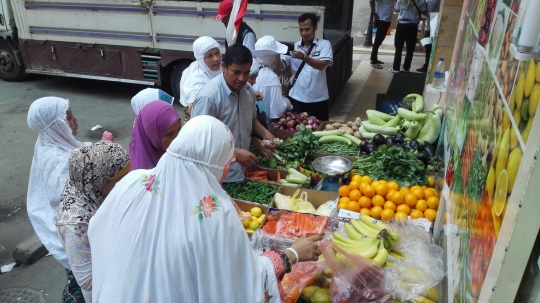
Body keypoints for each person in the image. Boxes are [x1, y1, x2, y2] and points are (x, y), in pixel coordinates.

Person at [88, 115, 322, 302]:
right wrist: (291, 254)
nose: (227, 170)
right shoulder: (213, 215)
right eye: (227, 163)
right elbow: (242, 283)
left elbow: (98, 228)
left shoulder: (133, 182)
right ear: (214, 163)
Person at [27, 97, 88, 303]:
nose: (75, 120)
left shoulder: (49, 140)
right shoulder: (59, 163)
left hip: (68, 233)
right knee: (82, 284)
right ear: (56, 126)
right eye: (69, 117)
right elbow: (76, 202)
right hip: (73, 235)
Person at [56, 141, 131, 303]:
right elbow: (87, 279)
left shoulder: (86, 185)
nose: (126, 184)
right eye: (120, 180)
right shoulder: (75, 225)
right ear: (100, 181)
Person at [191, 44, 275, 183]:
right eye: (236, 72)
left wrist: (264, 133)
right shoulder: (209, 97)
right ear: (224, 67)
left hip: (242, 173)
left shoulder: (248, 91)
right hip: (217, 177)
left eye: (246, 73)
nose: (242, 78)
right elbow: (197, 141)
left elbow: (252, 119)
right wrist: (234, 153)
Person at [281, 13, 333, 121]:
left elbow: (322, 65)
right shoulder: (294, 47)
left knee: (320, 130)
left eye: (307, 29)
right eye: (301, 30)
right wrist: (276, 50)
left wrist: (304, 57)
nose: (304, 33)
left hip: (318, 99)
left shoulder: (324, 44)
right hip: (296, 97)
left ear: (315, 28)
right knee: (295, 131)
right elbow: (279, 67)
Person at [179, 36, 222, 123]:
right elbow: (198, 112)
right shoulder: (195, 80)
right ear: (201, 59)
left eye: (217, 53)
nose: (216, 58)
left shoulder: (223, 68)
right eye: (210, 56)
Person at [129, 101, 181, 171]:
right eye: (170, 134)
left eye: (179, 129)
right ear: (152, 135)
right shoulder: (139, 175)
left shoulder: (179, 154)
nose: (177, 138)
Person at [252, 35, 293, 120]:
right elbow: (277, 111)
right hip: (264, 122)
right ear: (272, 56)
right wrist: (287, 102)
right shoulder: (271, 77)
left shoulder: (252, 68)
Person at [390, 0, 427, 73]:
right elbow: (424, 10)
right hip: (413, 26)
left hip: (401, 25)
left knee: (398, 47)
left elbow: (397, 9)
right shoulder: (421, 1)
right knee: (410, 48)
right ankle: (406, 68)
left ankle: (396, 68)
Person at [416, 0, 441, 72]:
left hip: (431, 27)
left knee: (428, 48)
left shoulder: (431, 0)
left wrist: (421, 8)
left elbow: (428, 12)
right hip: (434, 26)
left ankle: (427, 65)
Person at [369, 0, 395, 69]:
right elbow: (371, 1)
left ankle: (374, 58)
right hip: (382, 19)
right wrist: (374, 14)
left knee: (379, 41)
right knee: (377, 41)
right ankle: (373, 61)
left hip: (386, 20)